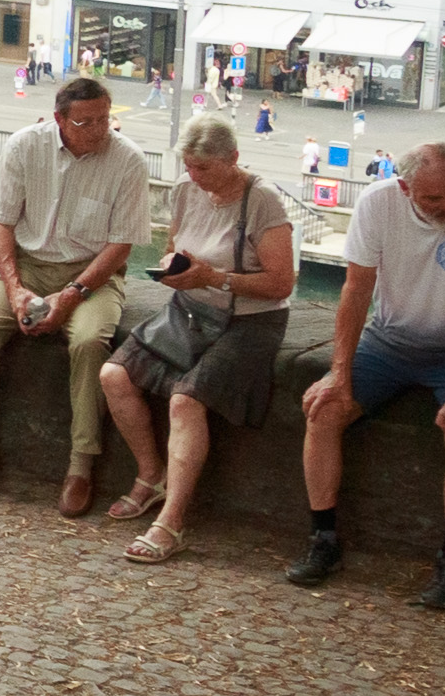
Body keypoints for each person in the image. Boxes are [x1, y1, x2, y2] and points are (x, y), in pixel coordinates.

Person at [291, 141, 445, 604]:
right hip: (390, 340)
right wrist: (338, 371)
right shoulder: (377, 204)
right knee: (324, 413)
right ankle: (324, 539)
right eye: (434, 199)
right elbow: (354, 292)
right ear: (405, 186)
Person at [101, 115, 298, 566]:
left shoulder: (261, 199)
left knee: (185, 401)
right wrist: (176, 266)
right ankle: (152, 476)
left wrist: (214, 278)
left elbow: (281, 282)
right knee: (114, 373)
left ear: (233, 159)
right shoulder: (186, 190)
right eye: (189, 166)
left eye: (205, 168)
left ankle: (171, 522)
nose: (195, 176)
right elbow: (173, 245)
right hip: (191, 309)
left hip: (250, 320)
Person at [0, 77, 152, 512]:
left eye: (105, 119)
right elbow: (1, 222)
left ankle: (81, 465)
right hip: (26, 266)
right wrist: (14, 287)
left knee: (89, 343)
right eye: (86, 122)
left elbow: (122, 245)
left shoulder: (128, 160)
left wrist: (74, 293)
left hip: (93, 273)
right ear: (60, 119)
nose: (100, 130)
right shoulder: (25, 146)